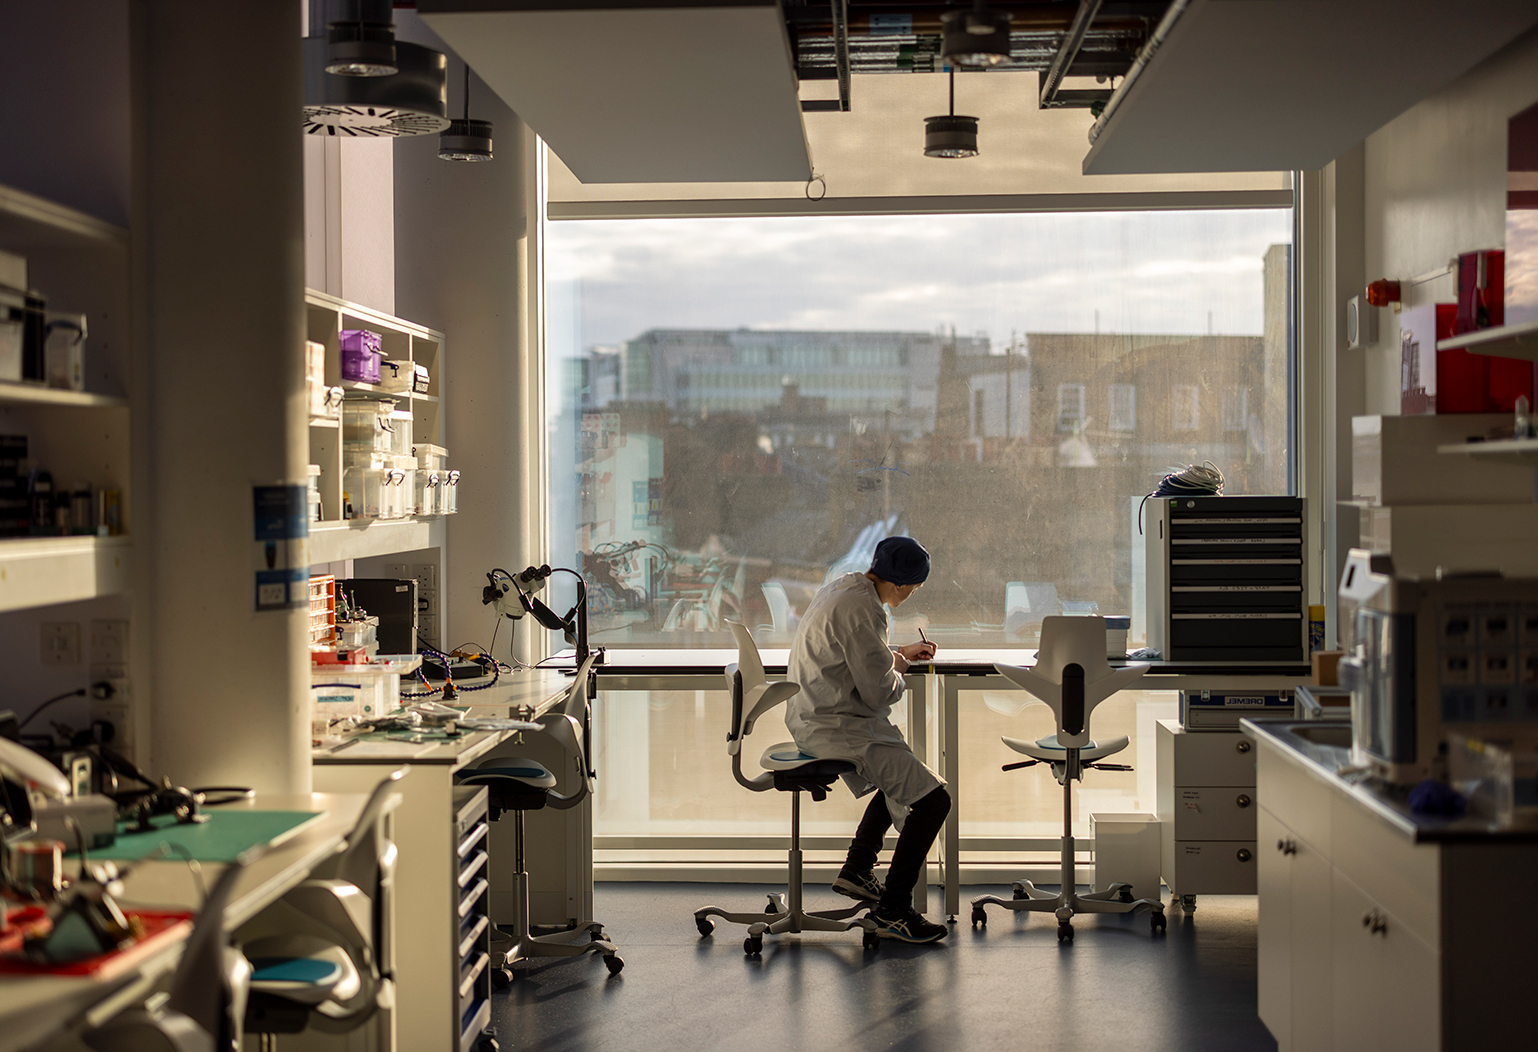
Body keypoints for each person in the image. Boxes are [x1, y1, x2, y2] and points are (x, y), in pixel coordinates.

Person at [785, 535, 951, 943]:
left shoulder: (845, 588)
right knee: (933, 800)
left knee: (903, 779)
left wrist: (895, 654)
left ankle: (858, 870)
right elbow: (879, 691)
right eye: (914, 587)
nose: (912, 594)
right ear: (899, 584)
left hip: (815, 713)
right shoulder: (866, 611)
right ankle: (894, 910)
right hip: (837, 725)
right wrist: (900, 672)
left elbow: (856, 654)